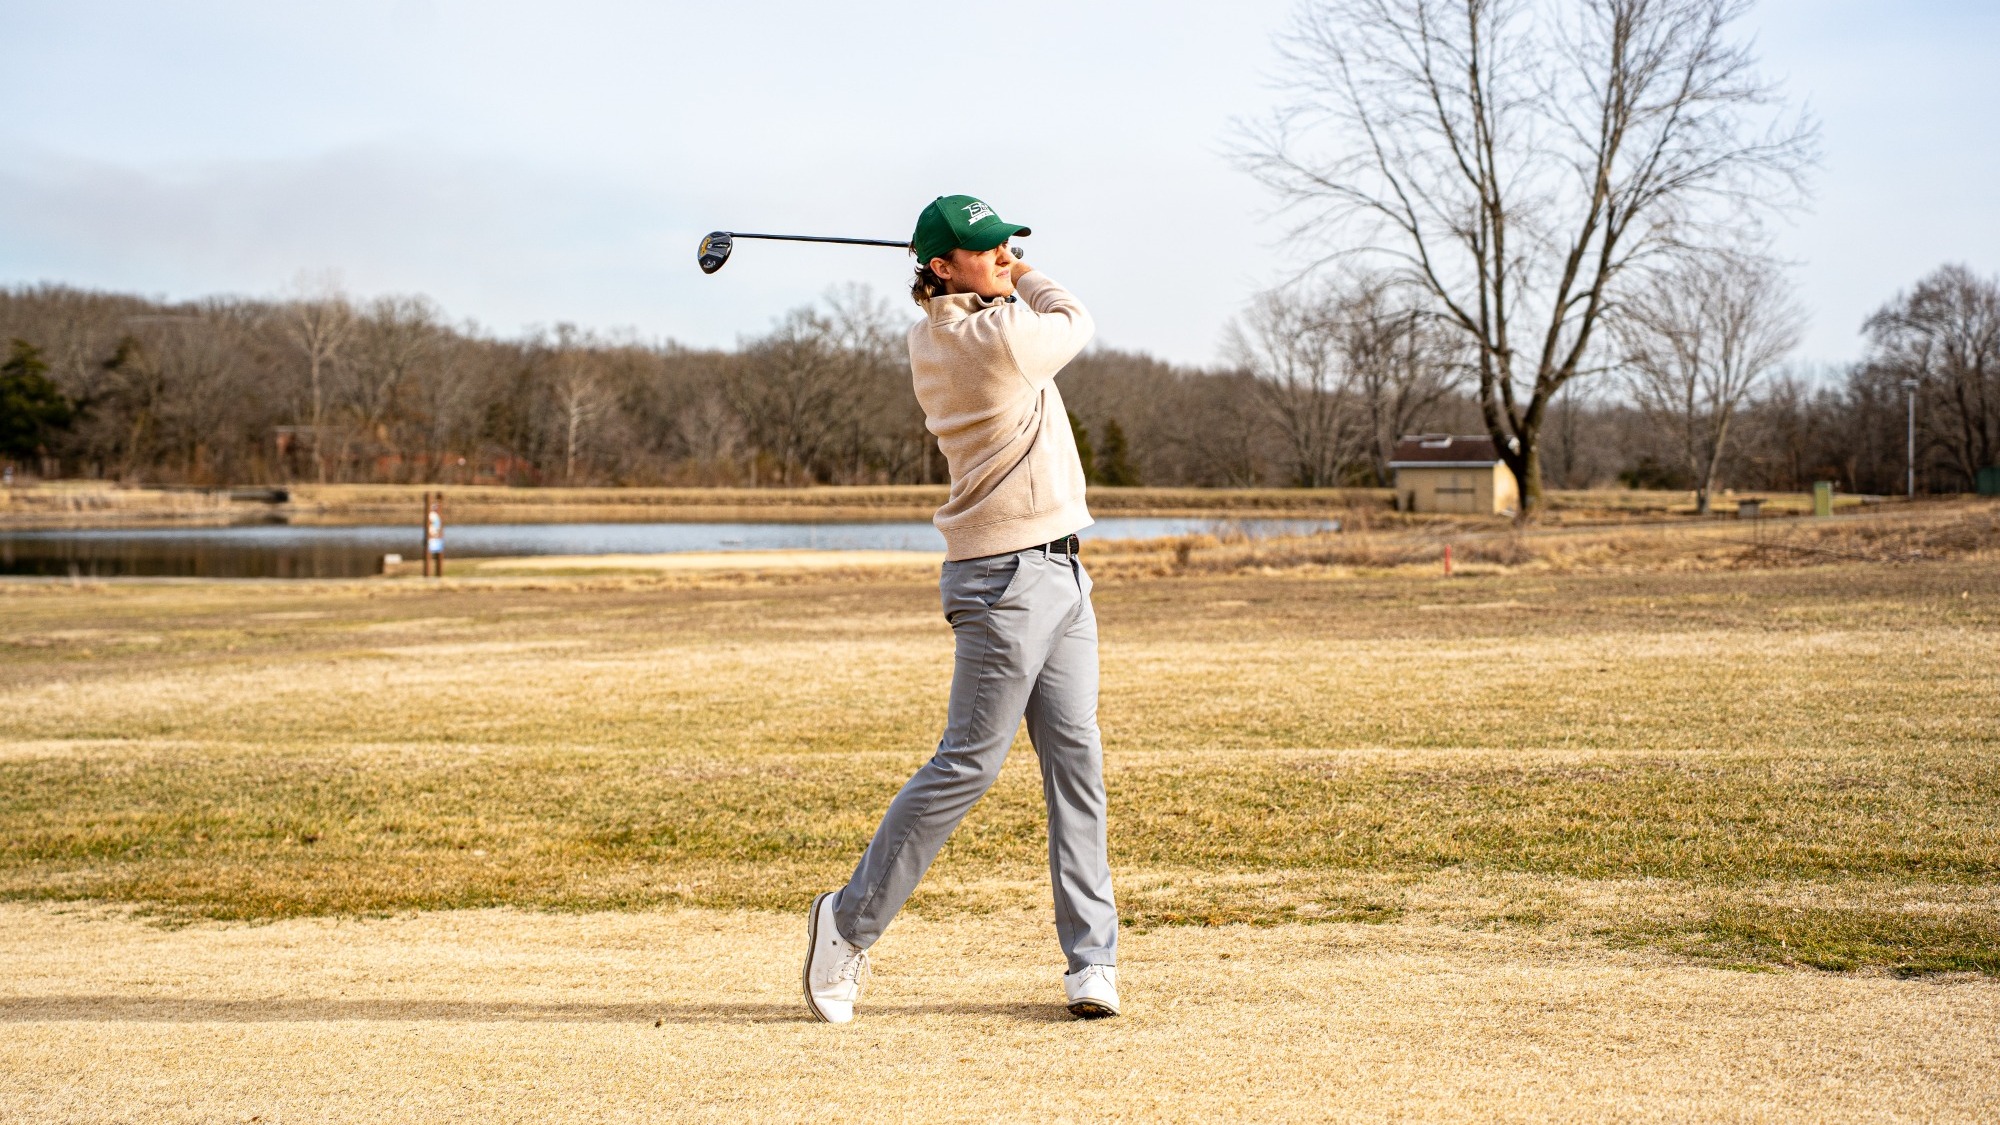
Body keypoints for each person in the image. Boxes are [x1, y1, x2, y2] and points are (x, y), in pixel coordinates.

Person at [803, 194, 1119, 1024]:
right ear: (943, 266)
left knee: (1076, 763)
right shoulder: (988, 336)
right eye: (987, 248)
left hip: (1062, 569)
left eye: (1008, 241)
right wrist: (1027, 273)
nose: (1006, 254)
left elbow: (1006, 300)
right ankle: (845, 922)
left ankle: (1092, 959)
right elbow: (1076, 317)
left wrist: (995, 267)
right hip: (1003, 580)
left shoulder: (956, 323)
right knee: (968, 765)